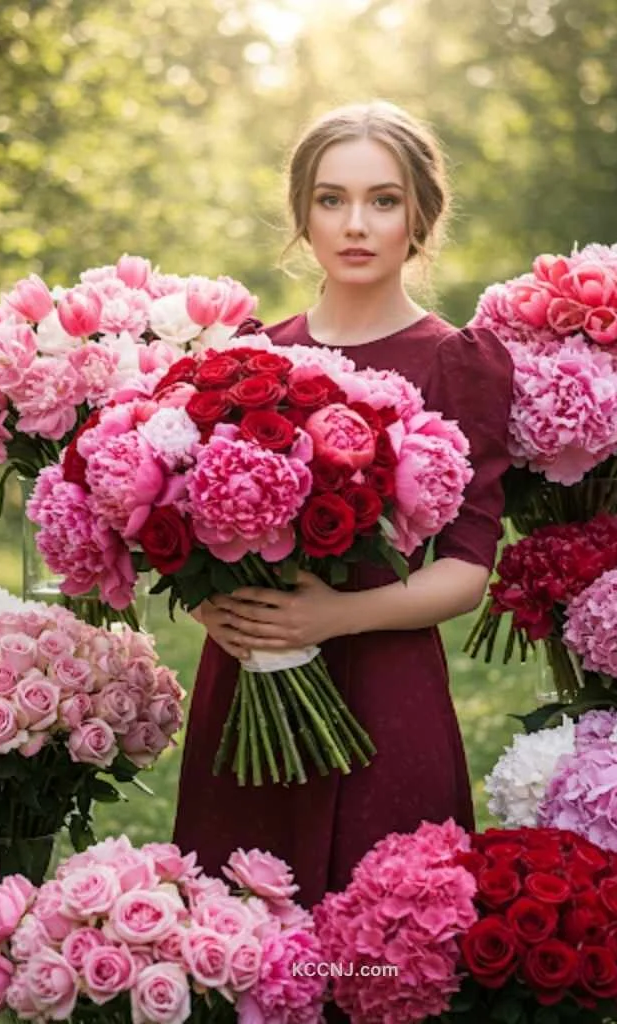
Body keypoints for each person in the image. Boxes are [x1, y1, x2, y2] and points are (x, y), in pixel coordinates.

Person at [173, 101, 512, 912]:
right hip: (249, 674)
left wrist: (333, 618)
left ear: (420, 216)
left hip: (385, 682)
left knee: (383, 952)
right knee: (241, 945)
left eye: (383, 200)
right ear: (302, 215)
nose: (355, 223)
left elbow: (468, 569)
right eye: (331, 199)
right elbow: (182, 528)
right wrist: (212, 606)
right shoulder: (248, 357)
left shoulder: (458, 362)